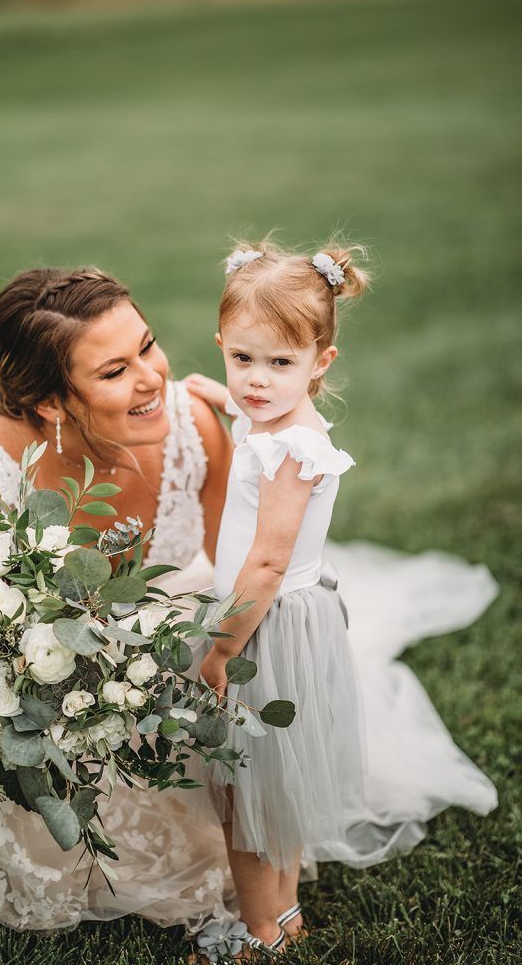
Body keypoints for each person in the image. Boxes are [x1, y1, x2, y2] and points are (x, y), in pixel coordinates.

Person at [0, 253, 498, 944]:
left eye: (146, 346)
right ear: (50, 403)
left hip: (168, 640)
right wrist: (20, 674)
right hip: (31, 693)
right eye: (114, 371)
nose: (153, 378)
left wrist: (205, 656)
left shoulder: (195, 426)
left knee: (248, 751)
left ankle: (268, 911)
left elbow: (238, 563)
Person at [183, 240, 499, 961]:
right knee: (273, 786)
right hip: (289, 620)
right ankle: (285, 913)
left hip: (263, 626)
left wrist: (222, 647)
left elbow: (264, 562)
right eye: (242, 359)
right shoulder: (265, 417)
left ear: (319, 362)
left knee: (245, 796)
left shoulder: (294, 448)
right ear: (223, 347)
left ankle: (259, 933)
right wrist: (212, 392)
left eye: (279, 363)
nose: (256, 381)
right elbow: (242, 419)